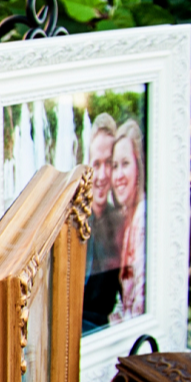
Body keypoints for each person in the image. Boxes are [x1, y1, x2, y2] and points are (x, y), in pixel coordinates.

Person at [81, 113, 123, 330]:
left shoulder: (121, 223)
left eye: (109, 163)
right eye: (96, 164)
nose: (102, 175)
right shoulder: (70, 222)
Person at [109, 118, 146, 323]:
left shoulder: (143, 220)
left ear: (139, 166)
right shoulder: (129, 220)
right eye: (115, 166)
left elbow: (140, 308)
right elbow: (121, 302)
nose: (118, 175)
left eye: (125, 164)